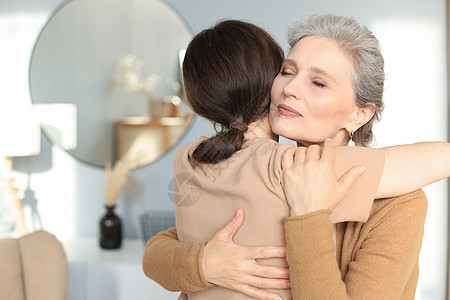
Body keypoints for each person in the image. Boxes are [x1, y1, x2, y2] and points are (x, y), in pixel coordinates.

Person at [142, 16, 448, 299]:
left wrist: (307, 219)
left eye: (318, 82)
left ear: (359, 114)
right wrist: (204, 263)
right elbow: (161, 249)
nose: (290, 88)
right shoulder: (265, 168)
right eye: (287, 72)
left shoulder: (398, 202)